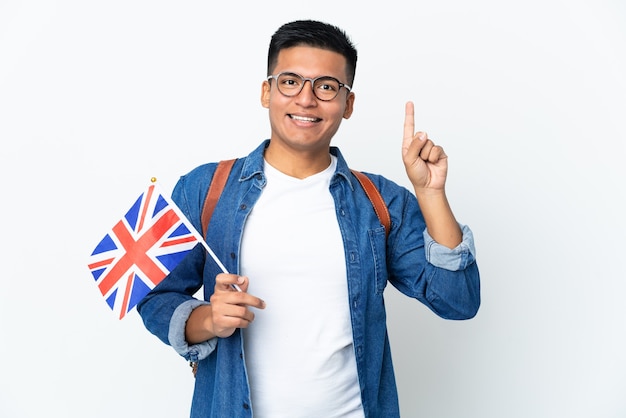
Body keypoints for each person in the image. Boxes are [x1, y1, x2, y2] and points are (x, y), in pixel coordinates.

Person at [138, 19, 480, 418]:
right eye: (290, 81)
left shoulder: (380, 201)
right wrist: (208, 320)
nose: (306, 99)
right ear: (267, 92)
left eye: (326, 86)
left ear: (347, 104)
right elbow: (155, 297)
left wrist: (431, 194)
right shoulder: (203, 189)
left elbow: (460, 301)